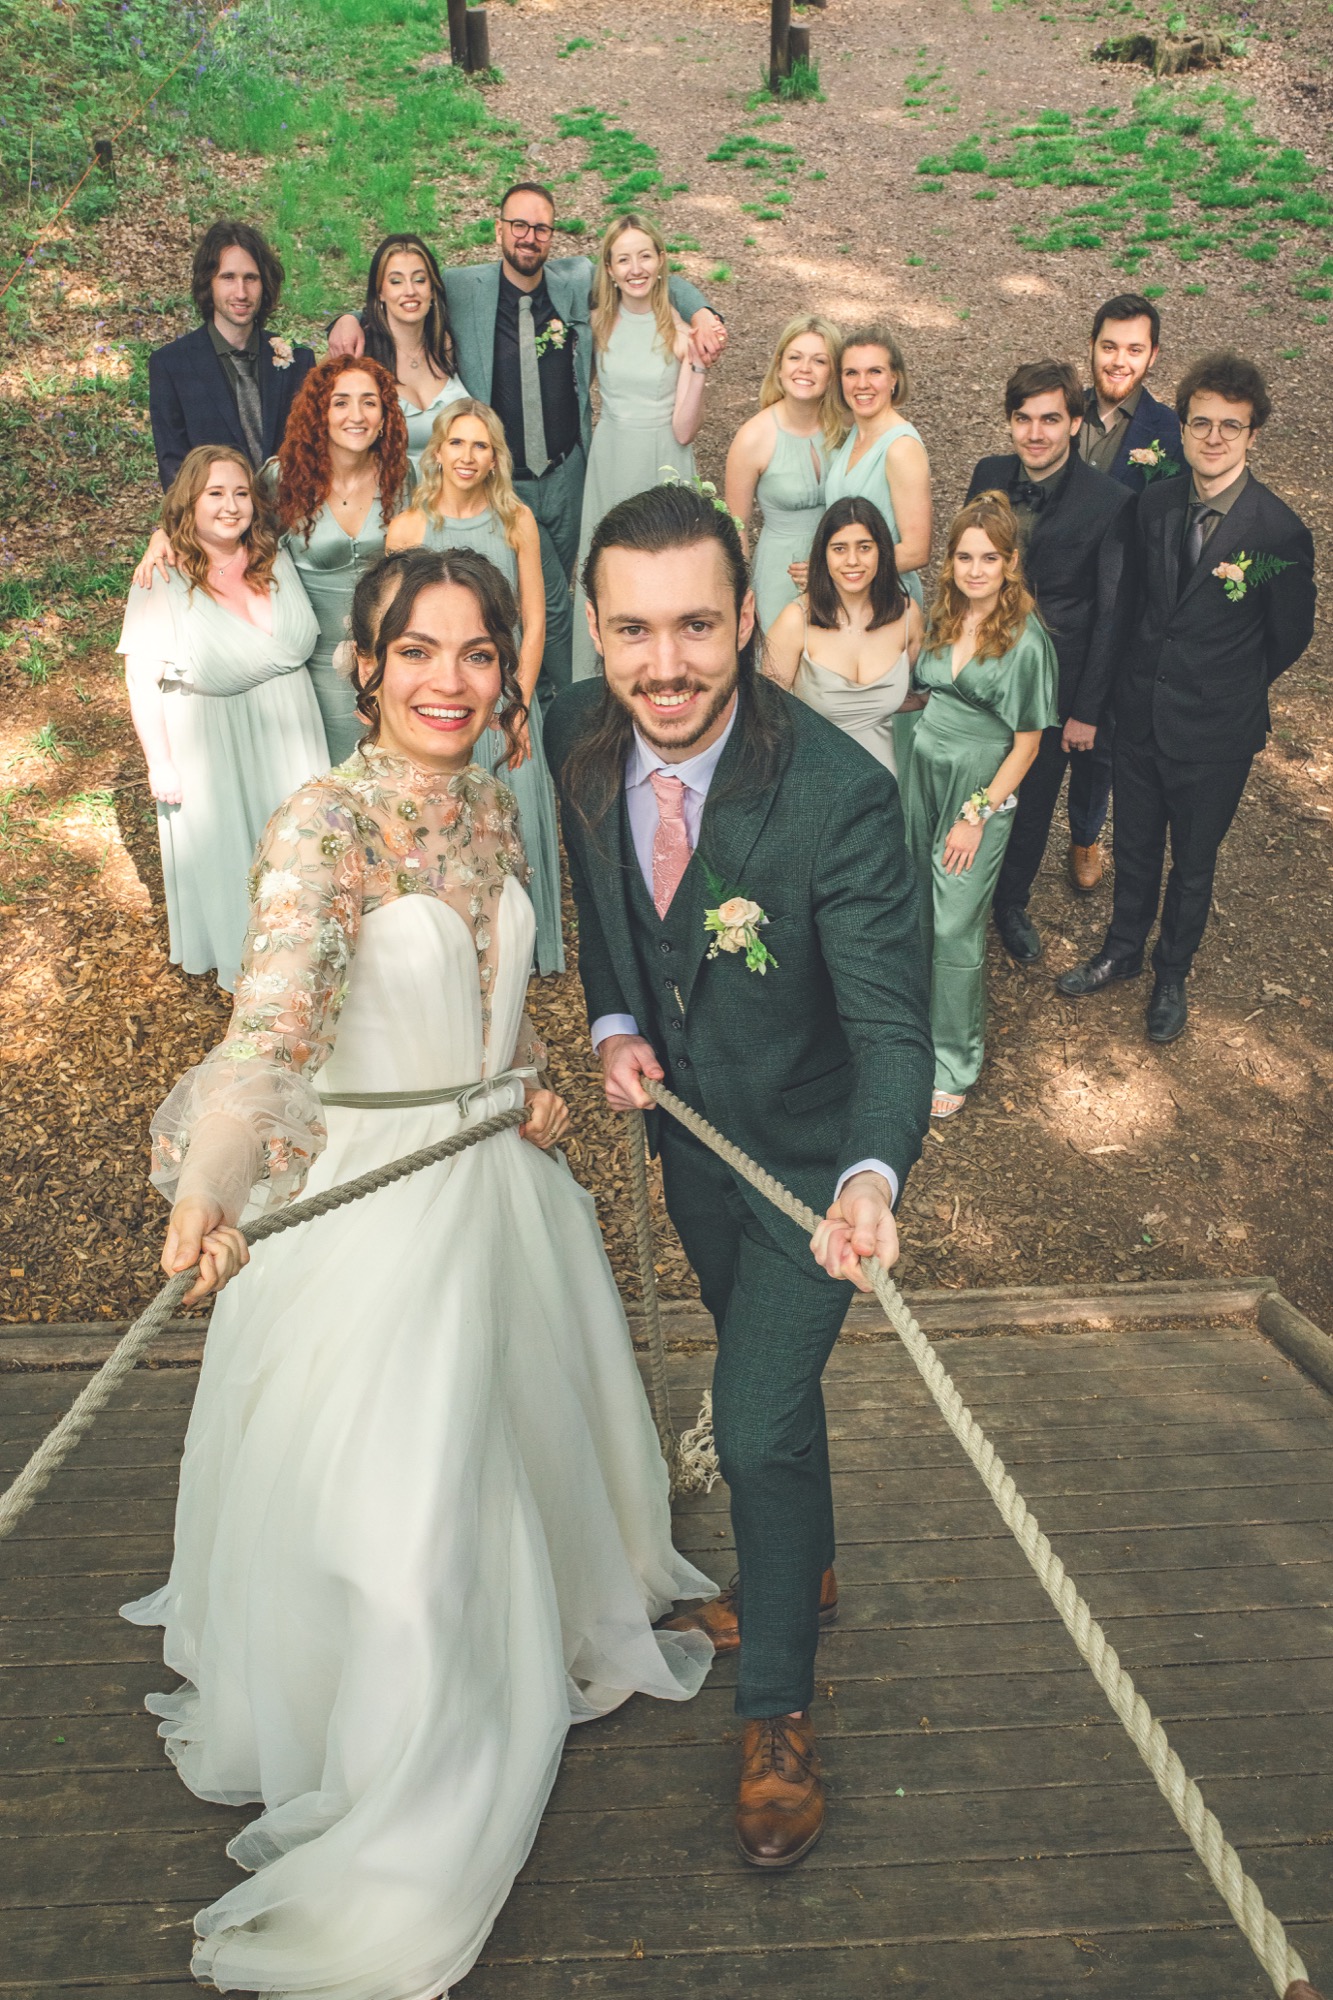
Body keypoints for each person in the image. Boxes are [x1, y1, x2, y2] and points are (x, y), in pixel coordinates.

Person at [124, 545, 714, 2000]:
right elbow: (271, 1034)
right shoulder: (323, 825)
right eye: (417, 651)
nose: (449, 681)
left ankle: (522, 1637)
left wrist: (524, 1080)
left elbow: (486, 993)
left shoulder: (496, 809)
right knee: (402, 1526)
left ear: (503, 673)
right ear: (365, 665)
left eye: (477, 653)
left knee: (509, 1457)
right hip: (372, 1209)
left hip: (496, 1187)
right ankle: (410, 1776)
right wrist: (208, 1193)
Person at [546, 483, 933, 1870]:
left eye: (697, 626)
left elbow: (894, 1029)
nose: (666, 664)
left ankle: (775, 1705)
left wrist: (873, 1176)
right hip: (690, 1148)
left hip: (814, 1171)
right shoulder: (576, 737)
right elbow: (606, 910)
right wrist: (611, 1022)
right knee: (767, 1401)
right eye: (634, 630)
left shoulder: (840, 796)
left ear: (747, 617)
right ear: (596, 630)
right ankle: (796, 1573)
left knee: (755, 1420)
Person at [328, 184, 726, 703]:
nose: (528, 237)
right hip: (500, 481)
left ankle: (582, 697)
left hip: (570, 472)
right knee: (543, 603)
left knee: (585, 585)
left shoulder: (575, 280)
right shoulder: (465, 287)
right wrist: (346, 319)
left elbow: (650, 275)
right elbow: (403, 290)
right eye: (518, 225)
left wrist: (702, 312)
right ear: (499, 229)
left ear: (552, 234)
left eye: (540, 228)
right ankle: (552, 701)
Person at [1058, 352, 1316, 1043]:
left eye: (1230, 425)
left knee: (1193, 863)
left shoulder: (1278, 532)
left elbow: (1288, 637)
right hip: (1141, 715)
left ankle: (1171, 974)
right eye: (1200, 422)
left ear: (1252, 433)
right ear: (1181, 426)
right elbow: (1132, 605)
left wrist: (1223, 681)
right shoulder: (1155, 504)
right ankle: (1121, 950)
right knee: (1135, 846)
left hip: (1216, 731)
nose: (1213, 437)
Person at [135, 356, 414, 769]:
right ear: (320, 413)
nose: (356, 415)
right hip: (314, 667)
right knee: (329, 782)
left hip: (391, 659)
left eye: (369, 402)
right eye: (340, 402)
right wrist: (164, 534)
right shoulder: (283, 479)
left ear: (385, 415)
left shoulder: (405, 477)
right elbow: (228, 525)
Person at [119, 447, 327, 994]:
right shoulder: (161, 577)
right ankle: (254, 972)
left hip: (294, 732)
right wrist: (160, 763)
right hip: (217, 744)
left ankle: (308, 954)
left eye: (240, 493)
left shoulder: (274, 557)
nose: (231, 506)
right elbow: (141, 679)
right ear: (189, 501)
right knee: (235, 856)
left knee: (303, 850)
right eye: (215, 493)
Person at [388, 398, 563, 974]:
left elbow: (533, 619)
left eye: (480, 445)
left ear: (495, 458)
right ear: (437, 451)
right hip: (439, 699)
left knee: (513, 818)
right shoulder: (408, 530)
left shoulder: (516, 521)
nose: (467, 456)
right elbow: (397, 630)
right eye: (457, 443)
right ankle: (454, 947)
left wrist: (518, 703)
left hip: (506, 694)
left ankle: (518, 949)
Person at [900, 493, 1058, 1118]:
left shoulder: (1025, 640)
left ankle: (954, 1059)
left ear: (1010, 563)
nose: (975, 570)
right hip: (923, 771)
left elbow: (1028, 745)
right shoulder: (944, 614)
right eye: (965, 557)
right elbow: (924, 692)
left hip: (978, 788)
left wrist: (975, 817)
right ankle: (911, 1029)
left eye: (989, 558)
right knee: (915, 903)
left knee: (954, 924)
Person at [966, 358, 1133, 944]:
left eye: (1050, 419)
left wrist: (1087, 710)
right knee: (971, 778)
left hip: (1055, 679)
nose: (1035, 433)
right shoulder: (988, 472)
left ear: (1075, 423)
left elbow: (1111, 614)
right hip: (978, 663)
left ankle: (1010, 903)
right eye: (1023, 419)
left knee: (1033, 798)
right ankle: (960, 890)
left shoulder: (1110, 501)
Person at [570, 212, 712, 681]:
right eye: (624, 259)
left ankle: (668, 670)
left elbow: (685, 429)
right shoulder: (597, 325)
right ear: (609, 269)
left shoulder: (680, 331)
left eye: (645, 256)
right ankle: (600, 677)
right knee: (609, 567)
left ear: (661, 260)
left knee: (667, 564)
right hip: (612, 456)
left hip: (663, 454)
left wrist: (697, 367)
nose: (636, 269)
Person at [148, 220, 315, 489]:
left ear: (265, 283)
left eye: (251, 278)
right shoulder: (171, 365)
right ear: (208, 283)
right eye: (228, 277)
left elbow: (313, 452)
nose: (241, 292)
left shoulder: (299, 360)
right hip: (215, 513)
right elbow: (174, 471)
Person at [763, 496, 923, 776]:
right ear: (823, 555)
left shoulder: (907, 616)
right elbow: (767, 715)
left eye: (864, 547)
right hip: (816, 777)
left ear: (882, 551)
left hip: (883, 780)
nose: (852, 561)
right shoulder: (796, 620)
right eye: (839, 548)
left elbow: (907, 695)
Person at [724, 314, 845, 634]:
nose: (805, 368)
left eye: (819, 361)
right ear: (779, 366)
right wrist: (741, 595)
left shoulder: (847, 430)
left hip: (844, 566)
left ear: (833, 373)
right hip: (782, 571)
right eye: (795, 357)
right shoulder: (753, 437)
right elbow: (737, 526)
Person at [824, 323, 932, 608]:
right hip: (848, 596)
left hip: (886, 601)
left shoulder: (901, 448)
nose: (862, 384)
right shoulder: (854, 435)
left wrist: (826, 572)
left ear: (894, 378)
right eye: (851, 373)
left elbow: (917, 551)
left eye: (875, 371)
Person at [357, 232, 471, 465]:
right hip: (390, 485)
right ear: (380, 292)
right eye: (396, 281)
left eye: (419, 280)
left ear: (432, 289)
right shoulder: (358, 355)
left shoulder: (450, 345)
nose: (410, 291)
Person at [1080, 292, 1184, 492]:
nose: (1119, 362)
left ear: (1152, 355)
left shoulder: (1169, 429)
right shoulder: (1063, 412)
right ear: (1092, 347)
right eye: (1109, 347)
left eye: (1134, 350)